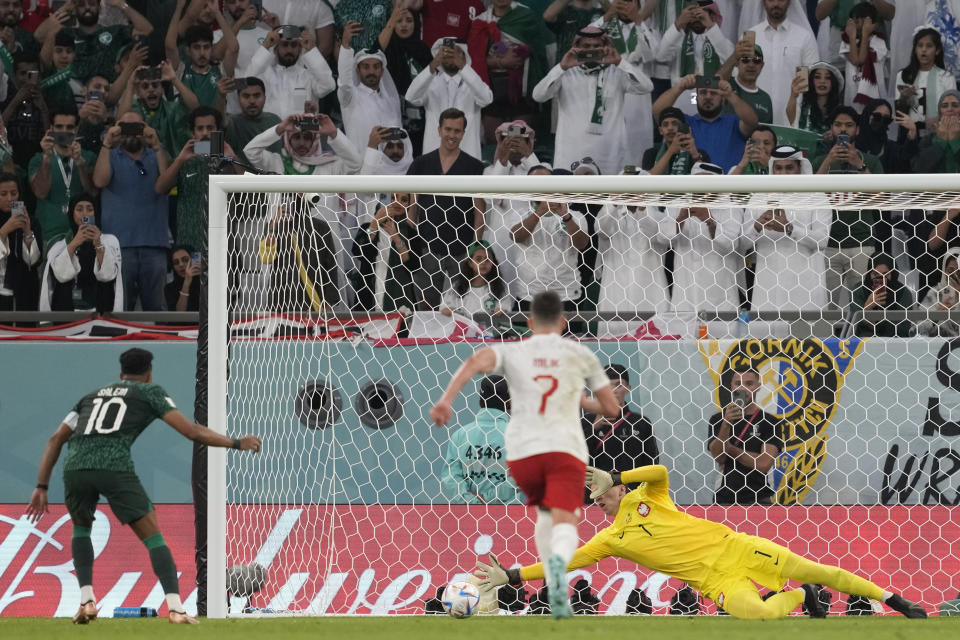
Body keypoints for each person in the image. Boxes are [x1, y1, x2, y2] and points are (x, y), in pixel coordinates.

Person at [472, 463, 928, 619]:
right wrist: (511, 574)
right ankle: (801, 599)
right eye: (593, 495)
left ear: (616, 487)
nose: (598, 498)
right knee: (759, 615)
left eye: (600, 489)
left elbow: (661, 472)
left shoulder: (648, 496)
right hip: (716, 582)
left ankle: (894, 598)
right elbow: (563, 563)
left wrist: (618, 474)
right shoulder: (611, 539)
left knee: (824, 570)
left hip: (737, 547)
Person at [24, 347, 262, 625]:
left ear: (120, 372)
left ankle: (87, 600)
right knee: (153, 535)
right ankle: (175, 608)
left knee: (81, 529)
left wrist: (41, 485)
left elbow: (55, 439)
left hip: (75, 467)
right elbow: (191, 431)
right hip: (113, 465)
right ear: (149, 374)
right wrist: (235, 443)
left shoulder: (90, 397)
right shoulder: (150, 393)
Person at [430, 289, 619, 619]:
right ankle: (556, 577)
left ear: (529, 322)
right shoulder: (579, 355)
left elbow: (475, 361)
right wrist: (579, 400)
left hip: (523, 451)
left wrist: (446, 401)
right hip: (562, 448)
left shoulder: (514, 351)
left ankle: (549, 573)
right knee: (562, 520)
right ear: (563, 322)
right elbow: (612, 408)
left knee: (544, 516)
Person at [532, 26, 653, 175]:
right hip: (571, 153)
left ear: (606, 47)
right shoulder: (566, 73)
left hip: (611, 153)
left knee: (610, 195)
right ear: (576, 47)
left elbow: (647, 87)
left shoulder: (617, 71)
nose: (592, 50)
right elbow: (538, 95)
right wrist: (562, 67)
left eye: (597, 46)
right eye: (586, 46)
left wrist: (620, 62)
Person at [405, 108, 486, 308]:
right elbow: (410, 208)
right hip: (427, 249)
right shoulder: (421, 164)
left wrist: (474, 248)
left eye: (457, 131)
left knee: (464, 307)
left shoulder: (474, 167)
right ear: (439, 129)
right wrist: (413, 243)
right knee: (425, 310)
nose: (452, 135)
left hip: (462, 251)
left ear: (463, 133)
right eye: (448, 129)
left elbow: (479, 212)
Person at [93, 112, 170, 312]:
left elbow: (168, 183)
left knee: (157, 309)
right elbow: (99, 181)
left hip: (154, 244)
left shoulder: (158, 154)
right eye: (125, 127)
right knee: (120, 308)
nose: (132, 134)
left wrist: (156, 145)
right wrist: (107, 143)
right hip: (119, 246)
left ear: (146, 128)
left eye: (137, 128)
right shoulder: (109, 154)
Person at [744, 145, 831, 312]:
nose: (783, 173)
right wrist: (756, 226)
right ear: (772, 169)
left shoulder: (817, 196)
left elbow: (822, 240)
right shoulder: (759, 197)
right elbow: (741, 245)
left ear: (800, 168)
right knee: (766, 337)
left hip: (806, 289)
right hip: (767, 288)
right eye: (778, 168)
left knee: (808, 337)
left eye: (789, 167)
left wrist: (790, 229)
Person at [594, 172, 672, 338]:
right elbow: (600, 229)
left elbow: (660, 236)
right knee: (612, 346)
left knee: (654, 348)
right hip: (615, 293)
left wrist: (643, 209)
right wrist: (613, 203)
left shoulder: (657, 215)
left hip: (651, 293)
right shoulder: (611, 214)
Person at [666, 161, 744, 313]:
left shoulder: (730, 208)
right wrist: (680, 219)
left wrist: (709, 220)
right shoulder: (677, 204)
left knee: (721, 335)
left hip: (720, 299)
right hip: (685, 297)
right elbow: (662, 238)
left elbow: (731, 245)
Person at [406, 37, 493, 159]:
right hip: (434, 156)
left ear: (464, 56)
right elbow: (411, 97)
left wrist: (464, 67)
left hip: (467, 155)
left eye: (456, 52)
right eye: (446, 52)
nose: (451, 56)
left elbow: (486, 99)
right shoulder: (430, 82)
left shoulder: (473, 83)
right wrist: (432, 66)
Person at [706, 366, 783, 504]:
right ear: (731, 386)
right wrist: (726, 424)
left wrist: (730, 449)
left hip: (759, 498)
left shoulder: (770, 422)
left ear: (758, 387)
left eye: (749, 384)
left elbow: (763, 463)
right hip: (723, 498)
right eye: (737, 383)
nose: (742, 388)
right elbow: (719, 456)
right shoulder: (718, 420)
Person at [441, 375, 522, 504]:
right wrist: (489, 498)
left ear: (480, 400)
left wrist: (472, 501)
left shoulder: (460, 435)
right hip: (509, 517)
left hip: (468, 517)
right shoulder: (518, 436)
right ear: (509, 401)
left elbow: (451, 477)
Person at [653, 73, 758, 172]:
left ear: (722, 98)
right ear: (696, 97)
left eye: (713, 93)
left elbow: (752, 122)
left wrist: (730, 95)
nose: (708, 97)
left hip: (730, 186)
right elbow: (658, 112)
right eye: (703, 93)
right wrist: (681, 87)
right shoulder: (686, 123)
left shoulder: (735, 122)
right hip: (696, 187)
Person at [39, 193, 122, 313]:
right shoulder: (59, 244)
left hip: (101, 310)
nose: (85, 214)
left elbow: (107, 275)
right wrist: (74, 243)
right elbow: (61, 275)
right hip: (67, 312)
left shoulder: (110, 241)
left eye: (89, 209)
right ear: (71, 213)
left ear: (96, 213)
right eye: (79, 209)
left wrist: (98, 243)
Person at [28, 108, 97, 252]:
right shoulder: (38, 159)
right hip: (49, 234)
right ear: (51, 129)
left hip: (83, 233)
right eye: (59, 127)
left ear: (77, 129)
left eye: (70, 127)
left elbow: (92, 193)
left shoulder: (88, 158)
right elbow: (40, 193)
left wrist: (80, 163)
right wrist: (46, 158)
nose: (64, 131)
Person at [259, 197, 340, 313]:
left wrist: (329, 301)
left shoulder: (320, 227)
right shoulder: (275, 225)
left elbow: (330, 265)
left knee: (311, 330)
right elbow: (266, 258)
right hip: (281, 297)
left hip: (313, 296)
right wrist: (274, 225)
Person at [750, 0, 819, 126]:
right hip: (756, 120)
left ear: (789, 2)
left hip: (792, 122)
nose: (776, 4)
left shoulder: (804, 37)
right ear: (763, 2)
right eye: (771, 0)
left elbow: (810, 82)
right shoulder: (751, 36)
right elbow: (742, 79)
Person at [243, 25, 334, 121]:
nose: (289, 50)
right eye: (285, 45)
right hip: (270, 132)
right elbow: (246, 85)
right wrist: (266, 45)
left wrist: (311, 50)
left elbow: (328, 85)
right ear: (276, 47)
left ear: (300, 48)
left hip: (301, 133)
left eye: (294, 45)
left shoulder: (308, 75)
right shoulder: (264, 74)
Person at [582, 364, 659, 477]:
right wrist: (593, 428)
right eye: (607, 386)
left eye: (618, 385)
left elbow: (652, 463)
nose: (613, 390)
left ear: (628, 388)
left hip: (632, 491)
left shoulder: (641, 423)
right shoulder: (587, 421)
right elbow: (576, 460)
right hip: (596, 491)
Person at [351, 192, 422, 312]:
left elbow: (414, 266)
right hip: (369, 295)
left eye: (404, 200)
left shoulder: (412, 234)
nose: (397, 203)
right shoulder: (367, 227)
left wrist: (396, 237)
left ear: (409, 205)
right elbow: (359, 252)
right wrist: (375, 223)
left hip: (401, 300)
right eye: (393, 198)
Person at [338, 24, 402, 155]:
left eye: (376, 67)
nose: (371, 71)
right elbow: (345, 82)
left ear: (382, 70)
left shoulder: (391, 100)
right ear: (358, 70)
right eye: (366, 67)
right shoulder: (350, 97)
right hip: (362, 167)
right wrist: (345, 45)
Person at [894, 27, 956, 133]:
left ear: (937, 50)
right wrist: (904, 98)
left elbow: (953, 112)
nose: (923, 50)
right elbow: (899, 115)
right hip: (909, 134)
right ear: (915, 49)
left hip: (938, 134)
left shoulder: (947, 77)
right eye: (920, 45)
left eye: (929, 46)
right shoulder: (904, 75)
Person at [440, 240, 512, 319]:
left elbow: (505, 307)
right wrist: (448, 310)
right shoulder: (458, 287)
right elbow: (445, 307)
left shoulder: (499, 287)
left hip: (489, 330)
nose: (483, 262)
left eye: (487, 259)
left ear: (493, 263)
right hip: (464, 329)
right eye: (478, 259)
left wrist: (501, 310)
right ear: (470, 263)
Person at [0, 173, 40, 311]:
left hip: (25, 288)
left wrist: (27, 232)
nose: (9, 199)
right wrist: (4, 230)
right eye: (3, 194)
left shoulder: (32, 221)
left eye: (13, 193)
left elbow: (33, 261)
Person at [850, 253, 914, 338]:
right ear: (869, 273)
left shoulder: (903, 292)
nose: (881, 279)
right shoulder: (859, 290)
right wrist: (867, 307)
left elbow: (903, 328)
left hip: (895, 340)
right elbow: (855, 325)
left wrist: (885, 316)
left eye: (885, 274)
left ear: (893, 273)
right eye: (875, 274)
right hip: (866, 340)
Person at [838, 1, 887, 110]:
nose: (858, 23)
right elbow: (856, 61)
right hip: (853, 99)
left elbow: (862, 59)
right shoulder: (846, 41)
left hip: (875, 100)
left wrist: (865, 35)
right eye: (855, 20)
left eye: (864, 20)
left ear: (874, 24)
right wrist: (852, 38)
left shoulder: (879, 41)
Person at [223, 77, 281, 167]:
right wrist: (221, 96)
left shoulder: (275, 120)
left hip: (274, 177)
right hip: (242, 178)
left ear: (265, 98)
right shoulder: (232, 122)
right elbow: (218, 120)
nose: (252, 101)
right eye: (246, 96)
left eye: (257, 96)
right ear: (238, 98)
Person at [718, 40, 774, 124]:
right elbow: (713, 82)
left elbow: (767, 133)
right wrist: (733, 57)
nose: (751, 64)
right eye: (745, 59)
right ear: (737, 63)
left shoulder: (765, 99)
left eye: (756, 60)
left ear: (762, 66)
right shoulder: (726, 86)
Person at [643, 107, 710, 175]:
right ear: (661, 130)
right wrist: (670, 151)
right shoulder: (651, 153)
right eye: (665, 125)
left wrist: (695, 155)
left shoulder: (699, 153)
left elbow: (706, 181)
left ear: (684, 127)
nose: (670, 128)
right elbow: (648, 179)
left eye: (675, 124)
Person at [786, 61, 844, 134]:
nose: (822, 81)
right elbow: (790, 119)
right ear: (811, 81)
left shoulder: (841, 112)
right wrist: (793, 95)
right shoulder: (801, 109)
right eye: (817, 77)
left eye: (828, 78)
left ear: (834, 83)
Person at [912, 90, 960, 173]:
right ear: (940, 111)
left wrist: (954, 141)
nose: (950, 109)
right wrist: (941, 141)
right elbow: (919, 168)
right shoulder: (928, 139)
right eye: (945, 106)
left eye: (955, 105)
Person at [918, 247, 960, 337]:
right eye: (950, 271)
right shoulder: (934, 293)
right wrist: (936, 316)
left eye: (959, 272)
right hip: (936, 347)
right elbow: (917, 329)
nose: (954, 276)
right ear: (944, 271)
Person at [164, 245, 202, 313]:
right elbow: (179, 316)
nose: (181, 264)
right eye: (176, 262)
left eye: (185, 260)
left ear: (194, 260)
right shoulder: (169, 288)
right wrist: (186, 283)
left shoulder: (205, 284)